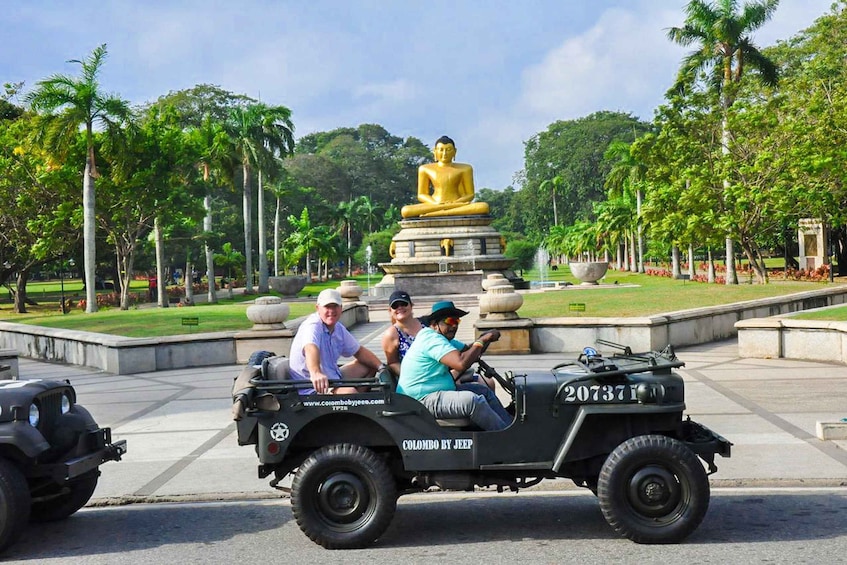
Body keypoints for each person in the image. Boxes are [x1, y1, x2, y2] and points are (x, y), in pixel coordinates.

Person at [397, 301, 511, 431]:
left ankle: (510, 428)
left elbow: (468, 351)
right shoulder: (431, 339)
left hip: (435, 393)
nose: (454, 326)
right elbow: (461, 363)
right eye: (450, 321)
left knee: (483, 391)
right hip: (421, 400)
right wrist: (482, 340)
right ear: (434, 324)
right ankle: (505, 439)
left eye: (457, 322)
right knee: (473, 401)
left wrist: (484, 338)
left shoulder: (443, 339)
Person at [381, 290, 496, 391]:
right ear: (390, 310)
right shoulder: (391, 334)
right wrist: (412, 376)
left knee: (488, 382)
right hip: (424, 379)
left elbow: (463, 350)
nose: (400, 307)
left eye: (403, 304)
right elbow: (392, 362)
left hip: (444, 368)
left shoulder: (426, 325)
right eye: (395, 306)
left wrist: (483, 340)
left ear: (411, 305)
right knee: (466, 392)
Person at [289, 288, 383, 395]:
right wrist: (316, 373)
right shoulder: (313, 325)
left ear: (341, 308)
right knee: (350, 392)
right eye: (327, 306)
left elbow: (359, 351)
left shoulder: (338, 328)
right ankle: (355, 403)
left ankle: (357, 400)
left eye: (335, 306)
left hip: (332, 377)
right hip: (312, 386)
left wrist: (381, 367)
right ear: (317, 308)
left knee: (370, 365)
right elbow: (310, 347)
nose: (331, 311)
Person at [401, 136, 490, 219]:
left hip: (457, 203)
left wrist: (455, 203)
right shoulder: (425, 169)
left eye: (448, 150)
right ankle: (447, 210)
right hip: (434, 204)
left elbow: (470, 195)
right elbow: (422, 194)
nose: (444, 153)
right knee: (406, 211)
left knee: (483, 207)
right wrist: (435, 203)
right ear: (435, 151)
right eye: (441, 150)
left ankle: (441, 213)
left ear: (455, 151)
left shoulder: (465, 168)